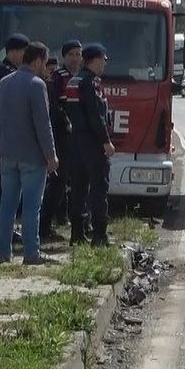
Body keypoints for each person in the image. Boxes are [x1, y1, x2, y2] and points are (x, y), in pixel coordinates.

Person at [0, 41, 59, 265]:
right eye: (44, 64)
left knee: (7, 205)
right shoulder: (37, 85)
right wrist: (51, 156)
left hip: (7, 155)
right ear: (37, 61)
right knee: (31, 207)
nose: (45, 69)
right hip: (32, 158)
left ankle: (3, 253)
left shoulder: (4, 83)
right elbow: (43, 124)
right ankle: (31, 253)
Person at [63, 43, 116, 246]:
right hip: (92, 142)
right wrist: (106, 142)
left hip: (74, 140)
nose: (104, 63)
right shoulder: (91, 83)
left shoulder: (74, 80)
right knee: (98, 188)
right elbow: (96, 116)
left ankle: (77, 234)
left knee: (78, 188)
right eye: (103, 59)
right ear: (95, 59)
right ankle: (99, 235)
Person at [0, 34, 28, 235]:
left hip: (12, 136)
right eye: (23, 52)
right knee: (4, 186)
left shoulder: (11, 71)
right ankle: (1, 231)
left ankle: (8, 230)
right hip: (6, 135)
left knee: (11, 187)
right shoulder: (1, 73)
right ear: (13, 51)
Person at [41, 40, 83, 238]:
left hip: (80, 138)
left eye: (78, 54)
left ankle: (81, 223)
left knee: (82, 182)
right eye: (71, 54)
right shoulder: (58, 78)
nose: (75, 58)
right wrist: (65, 121)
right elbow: (54, 106)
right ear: (64, 57)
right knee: (58, 183)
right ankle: (45, 225)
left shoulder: (83, 78)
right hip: (62, 137)